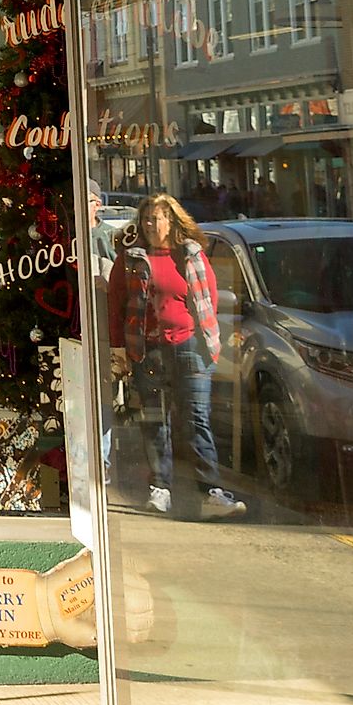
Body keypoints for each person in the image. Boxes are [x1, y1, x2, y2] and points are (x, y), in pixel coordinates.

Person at [107, 193, 246, 520]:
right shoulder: (131, 259)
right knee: (155, 420)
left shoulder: (192, 255)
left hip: (190, 348)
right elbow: (116, 305)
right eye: (147, 219)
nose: (152, 225)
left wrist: (211, 343)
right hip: (147, 349)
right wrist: (118, 351)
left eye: (158, 218)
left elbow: (209, 299)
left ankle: (210, 492)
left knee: (196, 418)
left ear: (173, 221)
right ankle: (160, 489)